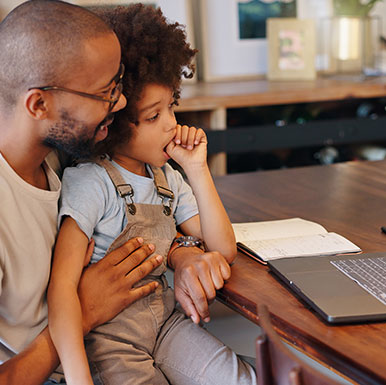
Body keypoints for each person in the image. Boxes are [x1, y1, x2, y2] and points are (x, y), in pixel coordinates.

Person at [0, 1, 213, 384]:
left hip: (109, 344)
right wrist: (84, 311)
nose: (122, 102)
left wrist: (180, 252)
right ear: (39, 103)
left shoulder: (49, 149)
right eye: (105, 92)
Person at [47, 4, 255, 385]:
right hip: (108, 341)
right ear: (114, 124)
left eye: (172, 107)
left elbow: (223, 248)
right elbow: (61, 285)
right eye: (153, 117)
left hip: (165, 326)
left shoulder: (168, 178)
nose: (172, 125)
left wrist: (197, 169)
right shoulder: (91, 183)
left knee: (245, 378)